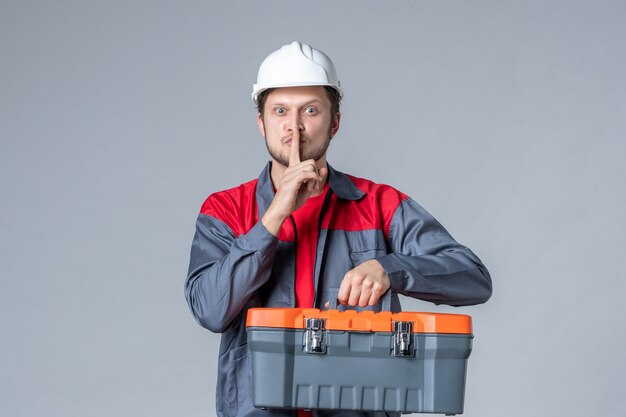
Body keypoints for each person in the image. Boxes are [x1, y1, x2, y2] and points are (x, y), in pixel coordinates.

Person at [185, 41, 492, 417]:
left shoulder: (378, 205)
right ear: (261, 122)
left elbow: (474, 277)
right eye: (280, 111)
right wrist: (273, 218)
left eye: (310, 111)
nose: (294, 127)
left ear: (334, 122)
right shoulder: (226, 209)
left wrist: (389, 269)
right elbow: (210, 310)